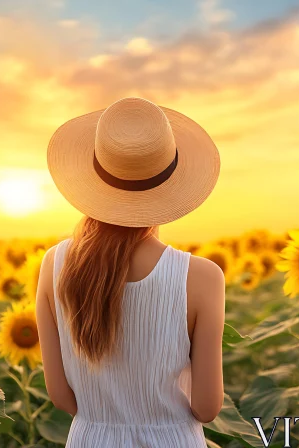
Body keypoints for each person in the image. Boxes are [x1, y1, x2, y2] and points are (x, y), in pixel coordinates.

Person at [36, 97, 225, 447]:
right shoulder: (201, 277)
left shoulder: (54, 264)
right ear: (171, 183)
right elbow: (206, 407)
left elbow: (61, 397)